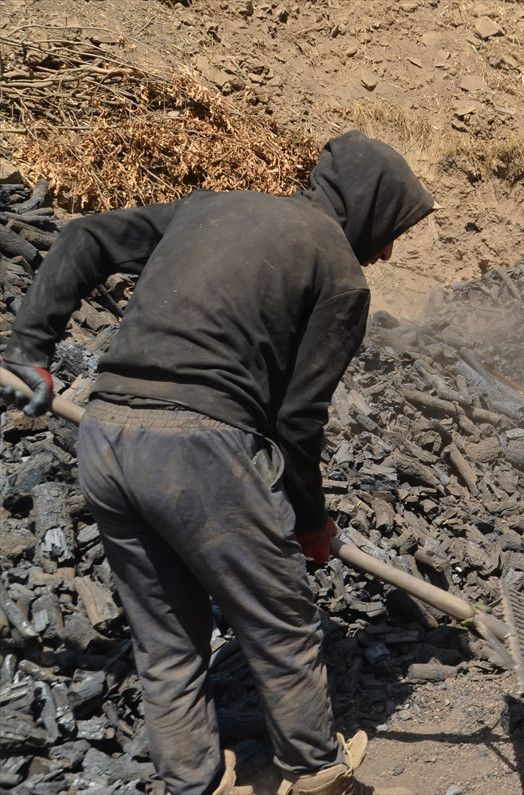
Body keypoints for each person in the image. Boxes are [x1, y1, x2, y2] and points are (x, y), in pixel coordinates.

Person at [0, 130, 434, 795]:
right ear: (367, 208)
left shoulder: (210, 207)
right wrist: (309, 523)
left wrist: (30, 343)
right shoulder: (338, 273)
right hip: (197, 446)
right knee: (281, 615)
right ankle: (316, 773)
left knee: (167, 634)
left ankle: (194, 781)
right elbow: (296, 422)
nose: (389, 249)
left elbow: (85, 237)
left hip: (108, 436)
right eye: (391, 229)